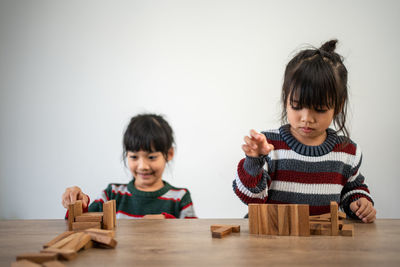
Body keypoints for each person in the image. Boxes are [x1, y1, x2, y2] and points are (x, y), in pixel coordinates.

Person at [233, 40, 376, 223]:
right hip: (271, 241)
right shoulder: (268, 145)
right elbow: (250, 198)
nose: (307, 118)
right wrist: (253, 161)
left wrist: (360, 202)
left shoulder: (347, 152)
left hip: (322, 243)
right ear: (286, 100)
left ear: (338, 106)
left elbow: (353, 189)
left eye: (320, 109)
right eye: (297, 106)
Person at [62, 113, 196, 219]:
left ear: (169, 153)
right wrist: (78, 204)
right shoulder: (112, 194)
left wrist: (166, 223)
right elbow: (78, 225)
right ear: (126, 155)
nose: (143, 166)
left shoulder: (180, 197)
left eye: (151, 157)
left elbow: (192, 237)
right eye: (134, 157)